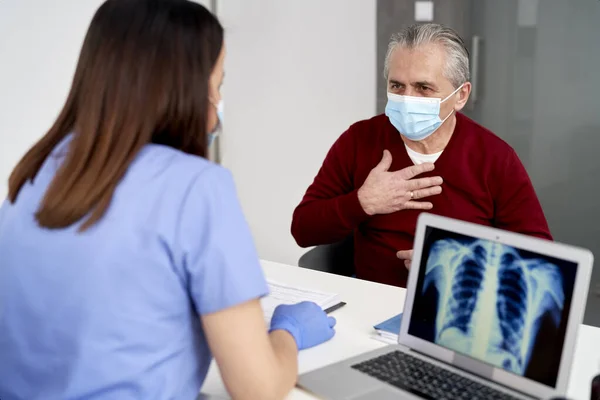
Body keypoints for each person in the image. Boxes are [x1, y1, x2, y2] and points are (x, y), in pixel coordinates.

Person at [0, 1, 335, 399]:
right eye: (218, 86)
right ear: (189, 91)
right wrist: (288, 332)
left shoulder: (39, 169)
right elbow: (257, 388)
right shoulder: (198, 187)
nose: (217, 108)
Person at [291, 23, 552, 287]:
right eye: (397, 86)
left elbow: (539, 257)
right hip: (373, 301)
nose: (407, 98)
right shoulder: (360, 140)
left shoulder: (495, 158)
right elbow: (303, 228)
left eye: (423, 88)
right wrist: (363, 202)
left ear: (460, 95)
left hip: (460, 302)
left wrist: (458, 262)